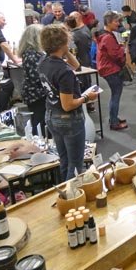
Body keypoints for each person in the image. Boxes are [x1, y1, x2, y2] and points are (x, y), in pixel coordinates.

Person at [38, 25, 99, 181]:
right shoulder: (64, 71)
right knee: (76, 165)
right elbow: (68, 105)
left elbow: (77, 66)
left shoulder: (43, 62)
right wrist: (87, 98)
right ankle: (72, 191)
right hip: (68, 120)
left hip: (52, 115)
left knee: (64, 160)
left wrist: (65, 51)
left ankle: (65, 190)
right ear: (63, 43)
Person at [96, 11, 128, 130]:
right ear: (109, 22)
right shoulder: (108, 37)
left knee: (115, 94)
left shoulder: (103, 35)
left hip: (106, 68)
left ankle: (113, 118)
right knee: (116, 95)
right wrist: (122, 48)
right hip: (111, 69)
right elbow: (115, 55)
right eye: (116, 21)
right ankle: (114, 122)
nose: (118, 24)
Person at [17, 24, 47, 136]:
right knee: (39, 121)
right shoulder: (31, 55)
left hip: (35, 92)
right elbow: (36, 77)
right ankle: (38, 141)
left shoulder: (32, 53)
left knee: (39, 120)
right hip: (37, 94)